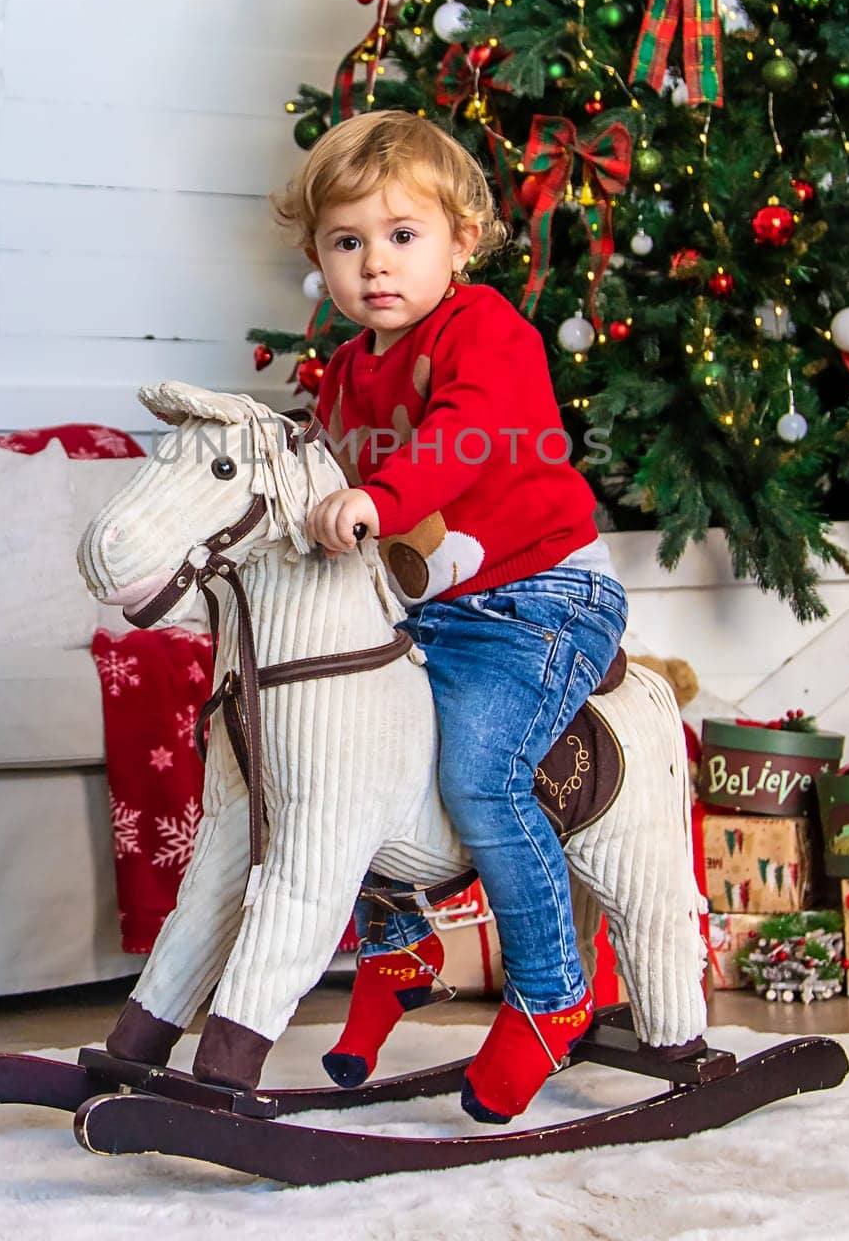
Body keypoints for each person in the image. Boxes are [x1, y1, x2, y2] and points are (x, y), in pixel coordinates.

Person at [270, 109, 628, 1123]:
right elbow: (319, 461)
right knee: (327, 753)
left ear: (461, 240)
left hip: (538, 594)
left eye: (400, 235)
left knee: (480, 773)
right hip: (435, 609)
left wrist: (377, 500)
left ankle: (553, 993)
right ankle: (395, 941)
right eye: (347, 242)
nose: (373, 264)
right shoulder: (344, 371)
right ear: (318, 258)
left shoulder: (484, 333)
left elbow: (464, 435)